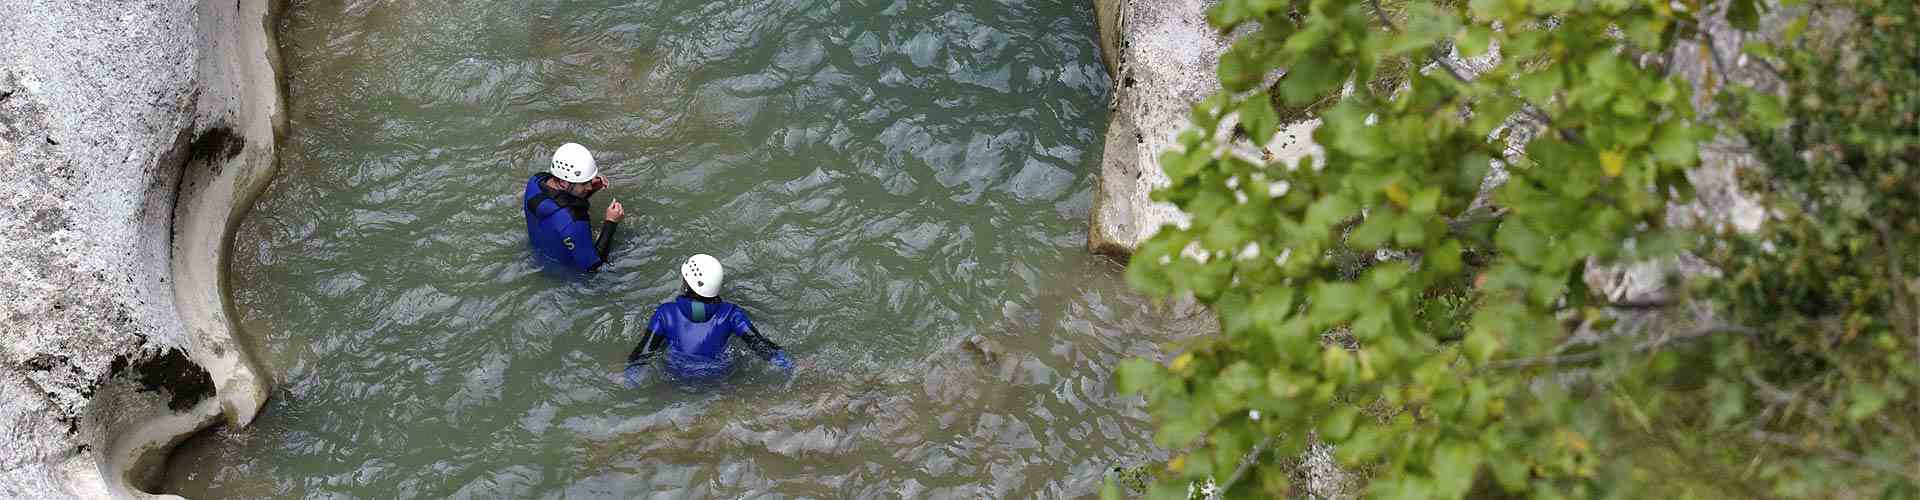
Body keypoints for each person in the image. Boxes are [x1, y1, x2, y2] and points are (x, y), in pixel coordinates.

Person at [625, 254, 794, 386]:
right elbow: (761, 345)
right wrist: (789, 364)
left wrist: (627, 378)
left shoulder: (665, 313)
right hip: (720, 377)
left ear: (686, 284)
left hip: (677, 376)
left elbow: (643, 354)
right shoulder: (731, 314)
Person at [523, 143, 625, 272]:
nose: (589, 187)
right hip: (565, 274)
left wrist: (590, 189)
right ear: (564, 183)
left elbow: (561, 200)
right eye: (584, 183)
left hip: (539, 253)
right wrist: (611, 222)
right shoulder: (573, 221)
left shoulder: (536, 180)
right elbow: (593, 266)